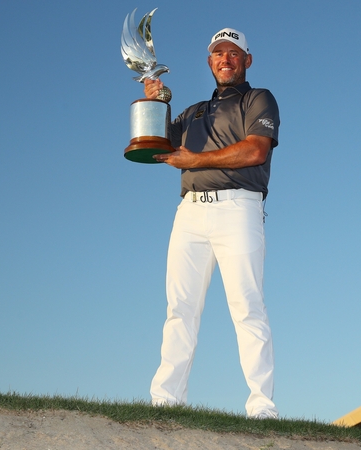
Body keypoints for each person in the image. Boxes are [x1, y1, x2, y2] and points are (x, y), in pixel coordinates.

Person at [142, 27, 280, 419]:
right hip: (190, 212)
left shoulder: (259, 99)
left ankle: (261, 407)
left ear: (246, 60)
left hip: (239, 209)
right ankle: (166, 400)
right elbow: (159, 145)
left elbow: (255, 150)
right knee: (179, 308)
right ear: (209, 62)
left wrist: (196, 161)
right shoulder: (191, 112)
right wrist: (158, 104)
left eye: (233, 53)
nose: (225, 59)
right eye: (218, 53)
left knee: (247, 307)